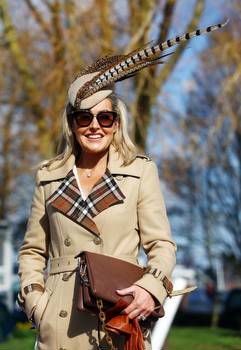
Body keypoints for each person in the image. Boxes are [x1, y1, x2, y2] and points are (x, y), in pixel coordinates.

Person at [18, 22, 225, 350]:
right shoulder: (48, 176)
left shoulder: (139, 172)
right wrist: (35, 303)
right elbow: (32, 251)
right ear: (72, 124)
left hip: (117, 321)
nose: (95, 126)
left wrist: (150, 289)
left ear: (117, 123)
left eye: (105, 118)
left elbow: (162, 246)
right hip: (57, 327)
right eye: (84, 118)